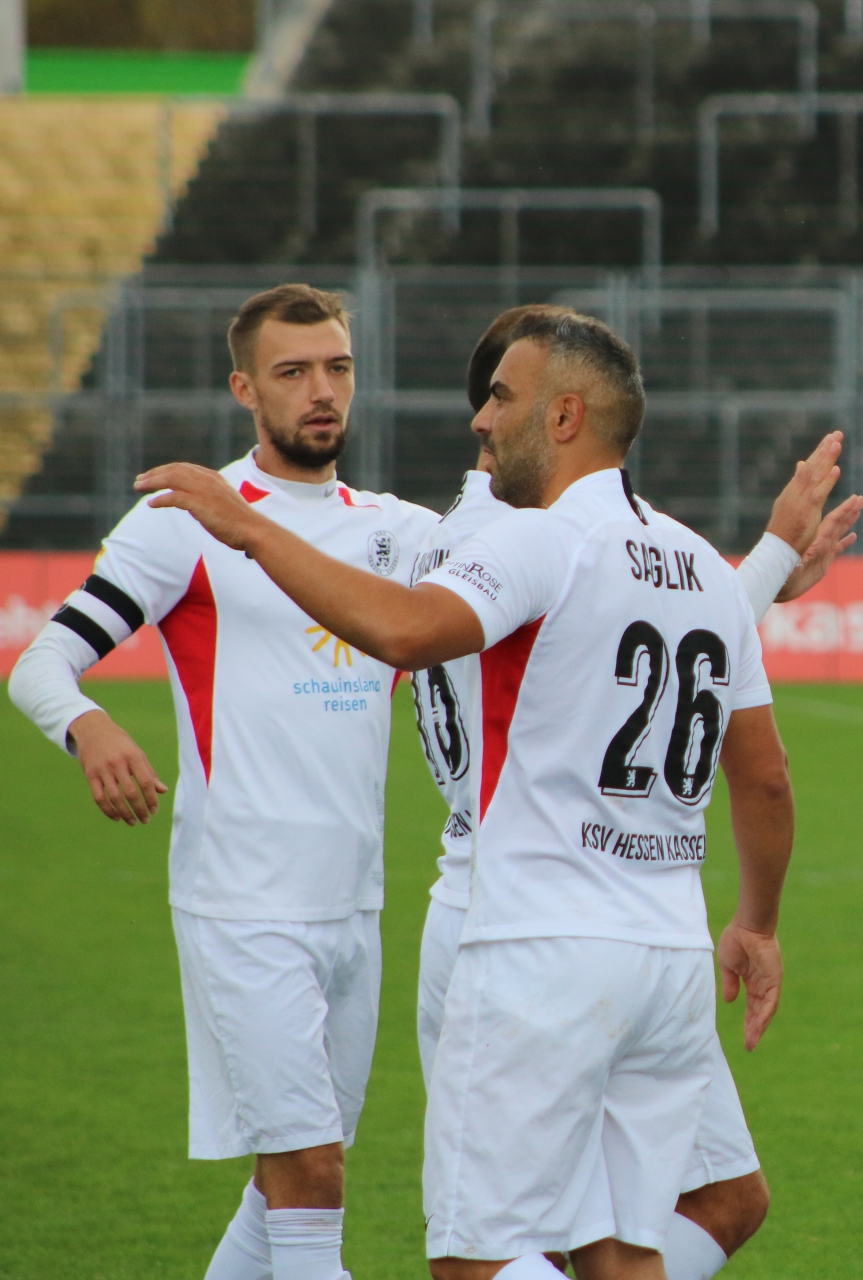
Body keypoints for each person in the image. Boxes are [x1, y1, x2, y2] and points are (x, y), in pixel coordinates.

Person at [133, 309, 796, 1280]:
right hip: (671, 954)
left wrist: (249, 528)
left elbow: (406, 629)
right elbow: (767, 777)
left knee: (476, 1258)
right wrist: (759, 923)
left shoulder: (536, 543)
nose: (481, 421)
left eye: (502, 398)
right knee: (622, 1252)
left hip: (539, 946)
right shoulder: (703, 565)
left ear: (564, 416)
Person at [409, 304, 861, 1280]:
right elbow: (627, 656)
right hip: (531, 906)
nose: (488, 416)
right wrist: (762, 571)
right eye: (495, 394)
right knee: (555, 1240)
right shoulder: (514, 535)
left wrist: (765, 573)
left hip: (564, 916)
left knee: (610, 1228)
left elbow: (615, 650)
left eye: (502, 396)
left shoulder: (514, 535)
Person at [7, 284, 440, 1280]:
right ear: (246, 389)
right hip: (243, 902)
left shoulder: (401, 531)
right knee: (311, 1175)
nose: (321, 390)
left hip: (355, 902)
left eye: (337, 366)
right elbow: (41, 662)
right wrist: (89, 725)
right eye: (293, 372)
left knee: (289, 1176)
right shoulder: (188, 521)